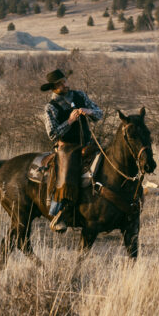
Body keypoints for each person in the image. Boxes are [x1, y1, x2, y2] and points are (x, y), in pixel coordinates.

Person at [41, 68, 103, 232]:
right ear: (54, 87)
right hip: (66, 148)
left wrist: (90, 112)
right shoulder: (50, 107)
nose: (65, 84)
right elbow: (53, 134)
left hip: (88, 144)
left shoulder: (80, 96)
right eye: (61, 83)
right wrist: (69, 121)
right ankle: (58, 213)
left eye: (65, 81)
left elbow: (100, 113)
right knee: (66, 175)